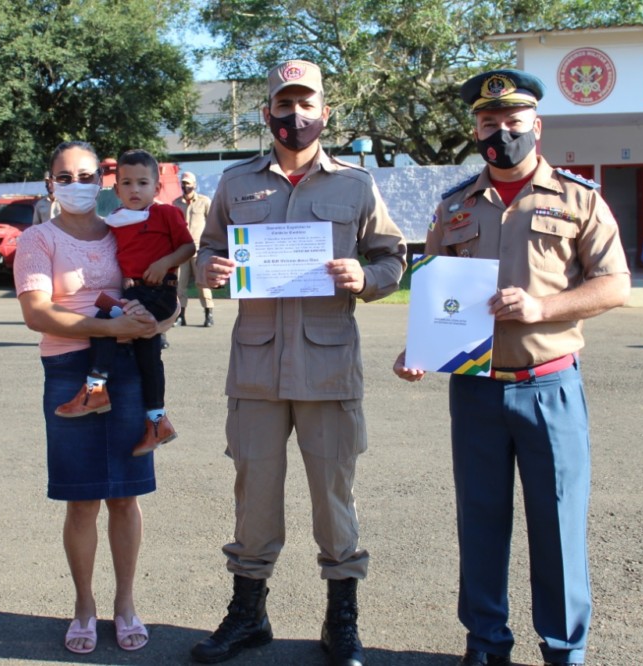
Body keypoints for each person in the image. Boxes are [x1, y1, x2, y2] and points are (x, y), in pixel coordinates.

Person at [393, 69, 631, 666]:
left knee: (557, 527)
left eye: (512, 121)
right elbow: (434, 291)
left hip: (548, 385)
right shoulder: (453, 208)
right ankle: (486, 644)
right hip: (474, 393)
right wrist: (417, 347)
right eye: (488, 123)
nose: (501, 132)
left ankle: (563, 649)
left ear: (536, 125)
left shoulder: (579, 199)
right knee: (480, 524)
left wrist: (542, 306)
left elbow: (615, 285)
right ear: (475, 129)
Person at [191, 60, 406, 666]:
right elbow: (209, 249)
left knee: (333, 497)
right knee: (253, 494)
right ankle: (248, 615)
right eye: (283, 106)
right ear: (267, 114)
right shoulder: (235, 184)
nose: (295, 116)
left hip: (328, 366)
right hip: (257, 368)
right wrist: (206, 270)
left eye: (305, 105)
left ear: (324, 113)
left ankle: (342, 619)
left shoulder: (356, 185)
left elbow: (393, 257)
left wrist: (366, 277)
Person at [14, 140, 178, 655]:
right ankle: (84, 605)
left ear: (102, 182)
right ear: (50, 183)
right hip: (68, 369)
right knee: (82, 500)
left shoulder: (123, 231)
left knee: (125, 496)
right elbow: (37, 313)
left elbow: (167, 294)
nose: (78, 185)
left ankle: (125, 604)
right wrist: (106, 329)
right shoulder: (37, 239)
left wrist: (155, 322)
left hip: (128, 370)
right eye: (66, 177)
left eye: (88, 176)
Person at [54, 149, 194, 456]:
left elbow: (188, 247)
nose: (134, 190)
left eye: (143, 183)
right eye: (127, 183)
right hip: (135, 293)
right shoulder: (115, 221)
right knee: (148, 356)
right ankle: (158, 421)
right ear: (116, 189)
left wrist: (163, 263)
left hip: (159, 294)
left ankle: (95, 387)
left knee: (104, 315)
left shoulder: (166, 214)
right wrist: (129, 277)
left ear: (156, 188)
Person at [172, 171, 214, 327]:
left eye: (188, 183)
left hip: (199, 249)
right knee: (179, 285)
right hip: (182, 250)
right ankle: (180, 316)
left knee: (202, 283)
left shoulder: (204, 201)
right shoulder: (176, 204)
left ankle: (208, 314)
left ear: (195, 185)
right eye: (183, 183)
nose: (186, 186)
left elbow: (212, 223)